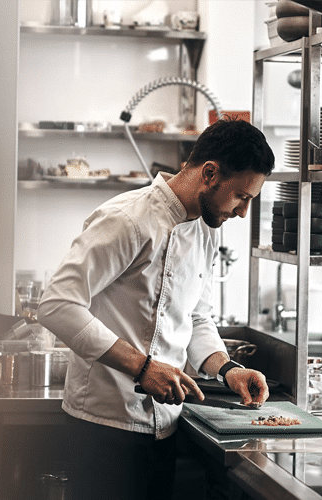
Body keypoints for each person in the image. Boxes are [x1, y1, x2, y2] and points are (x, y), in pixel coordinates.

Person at [37, 118, 275, 500]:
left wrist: (227, 368)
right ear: (210, 174)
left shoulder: (204, 230)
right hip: (103, 426)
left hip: (165, 427)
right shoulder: (127, 219)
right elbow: (57, 304)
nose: (243, 212)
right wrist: (142, 367)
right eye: (242, 197)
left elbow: (195, 316)